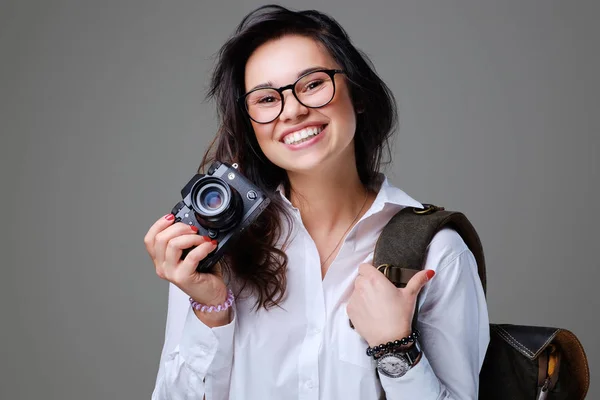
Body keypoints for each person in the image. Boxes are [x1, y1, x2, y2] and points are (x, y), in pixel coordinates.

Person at [144, 5, 489, 399]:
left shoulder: (436, 254)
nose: (292, 110)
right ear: (250, 125)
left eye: (312, 84)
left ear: (356, 94)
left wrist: (396, 350)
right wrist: (211, 309)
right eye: (266, 99)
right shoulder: (216, 254)